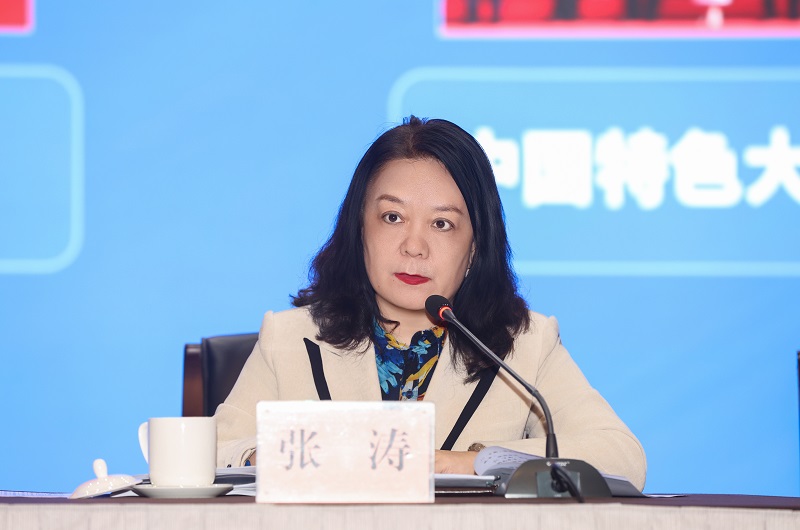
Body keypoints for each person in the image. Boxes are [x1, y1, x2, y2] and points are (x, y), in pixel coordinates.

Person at [215, 116, 647, 490]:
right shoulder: (291, 338)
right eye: (392, 217)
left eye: (442, 224)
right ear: (359, 228)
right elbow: (214, 451)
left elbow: (622, 457)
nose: (414, 246)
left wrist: (475, 462)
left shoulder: (525, 345)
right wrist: (274, 455)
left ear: (475, 246)